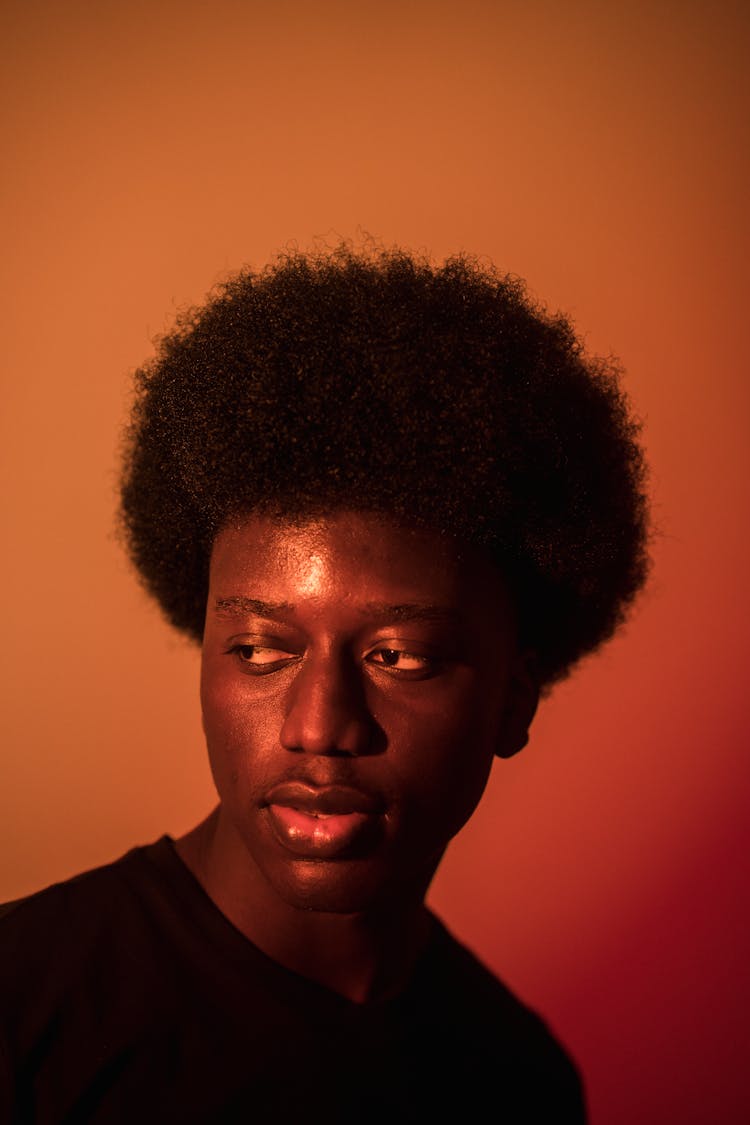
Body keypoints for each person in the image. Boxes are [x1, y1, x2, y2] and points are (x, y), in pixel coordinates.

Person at [0, 242, 649, 1123]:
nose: (319, 725)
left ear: (513, 698)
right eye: (261, 649)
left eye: (400, 655)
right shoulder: (24, 1013)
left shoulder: (517, 1078)